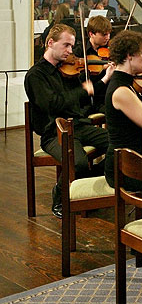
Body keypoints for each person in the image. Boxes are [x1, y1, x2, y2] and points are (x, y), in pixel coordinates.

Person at [24, 24, 110, 218]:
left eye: (72, 46)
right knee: (77, 162)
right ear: (50, 43)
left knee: (119, 145)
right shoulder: (36, 75)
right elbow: (53, 104)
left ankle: (87, 184)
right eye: (66, 46)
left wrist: (103, 78)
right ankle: (60, 196)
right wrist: (82, 90)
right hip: (54, 132)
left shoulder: (69, 70)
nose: (71, 51)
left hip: (79, 125)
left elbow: (84, 100)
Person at [104, 30, 142, 190]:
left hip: (133, 158)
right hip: (123, 167)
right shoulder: (121, 90)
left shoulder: (127, 84)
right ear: (129, 55)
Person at [74, 14, 115, 114]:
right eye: (104, 35)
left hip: (111, 95)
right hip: (93, 101)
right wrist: (105, 74)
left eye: (109, 34)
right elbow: (84, 85)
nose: (108, 38)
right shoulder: (80, 53)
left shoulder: (109, 51)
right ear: (91, 34)